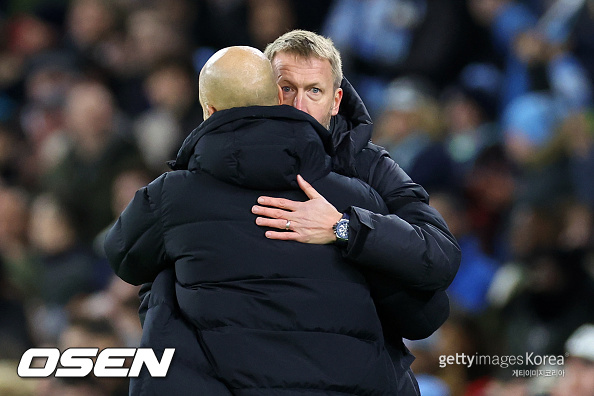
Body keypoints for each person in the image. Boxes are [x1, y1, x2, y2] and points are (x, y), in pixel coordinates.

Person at [106, 46, 414, 394]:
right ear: (276, 98)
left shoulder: (172, 197)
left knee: (163, 272)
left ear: (209, 111)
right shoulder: (354, 198)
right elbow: (420, 307)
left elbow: (122, 255)